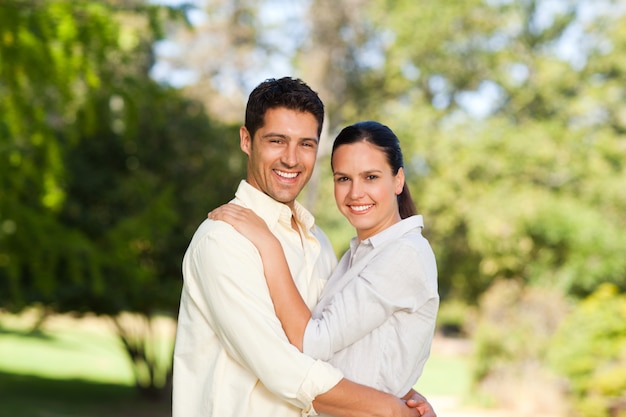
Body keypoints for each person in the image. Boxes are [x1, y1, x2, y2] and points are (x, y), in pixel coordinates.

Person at [172, 77, 436, 417]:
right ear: (246, 140)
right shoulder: (223, 239)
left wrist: (405, 394)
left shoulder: (318, 243)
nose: (291, 159)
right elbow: (283, 368)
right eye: (277, 141)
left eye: (306, 144)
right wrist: (389, 408)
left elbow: (338, 349)